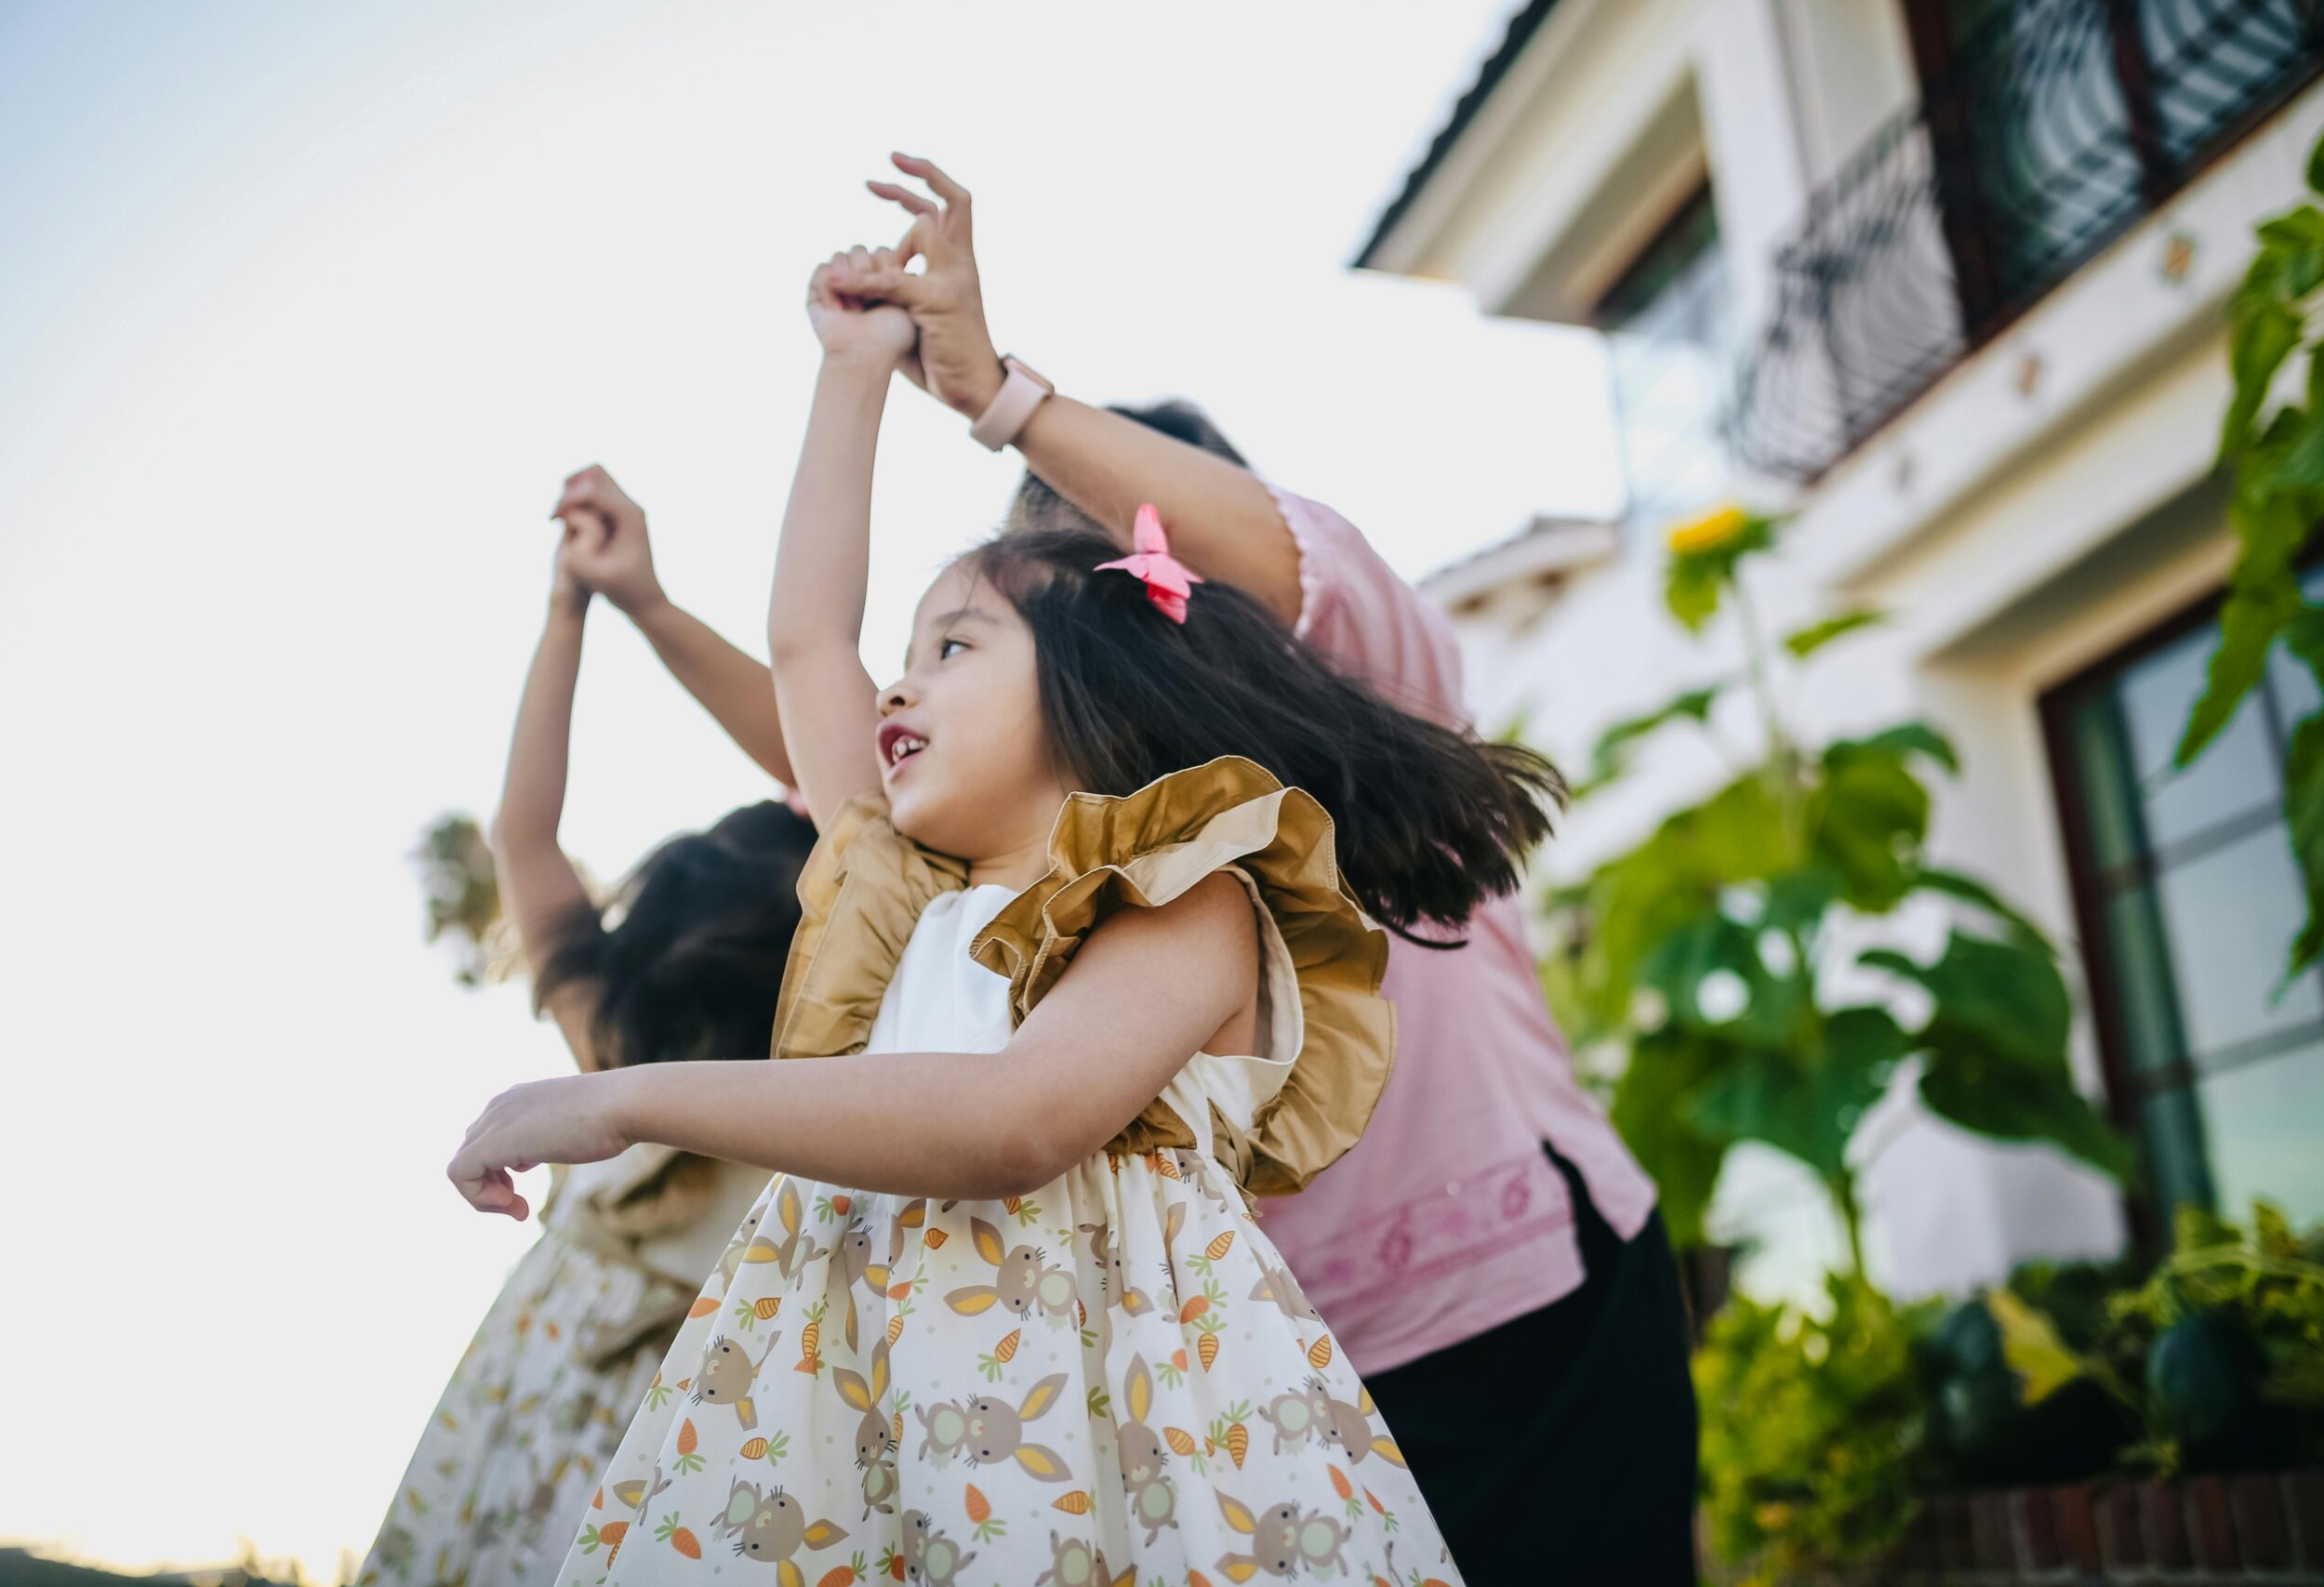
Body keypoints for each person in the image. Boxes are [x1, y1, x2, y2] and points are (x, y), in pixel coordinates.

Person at [444, 244, 1567, 1585]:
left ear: (1103, 688)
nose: (897, 689)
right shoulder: (901, 895)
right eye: (906, 656)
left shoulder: (1186, 900)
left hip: (1107, 1458)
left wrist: (626, 1097)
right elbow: (809, 637)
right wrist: (848, 372)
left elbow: (1011, 1119)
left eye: (953, 649)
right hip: (868, 1432)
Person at [825, 154, 1699, 1580]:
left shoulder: (1370, 682)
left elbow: (1281, 550)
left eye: (1136, 532)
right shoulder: (1074, 834)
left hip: (1538, 1314)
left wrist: (1002, 396)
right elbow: (840, 723)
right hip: (1290, 1387)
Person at [359, 509, 815, 1587]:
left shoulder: (610, 1041)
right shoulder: (826, 1091)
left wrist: (571, 611)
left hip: (524, 1384)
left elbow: (522, 833)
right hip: (692, 1429)